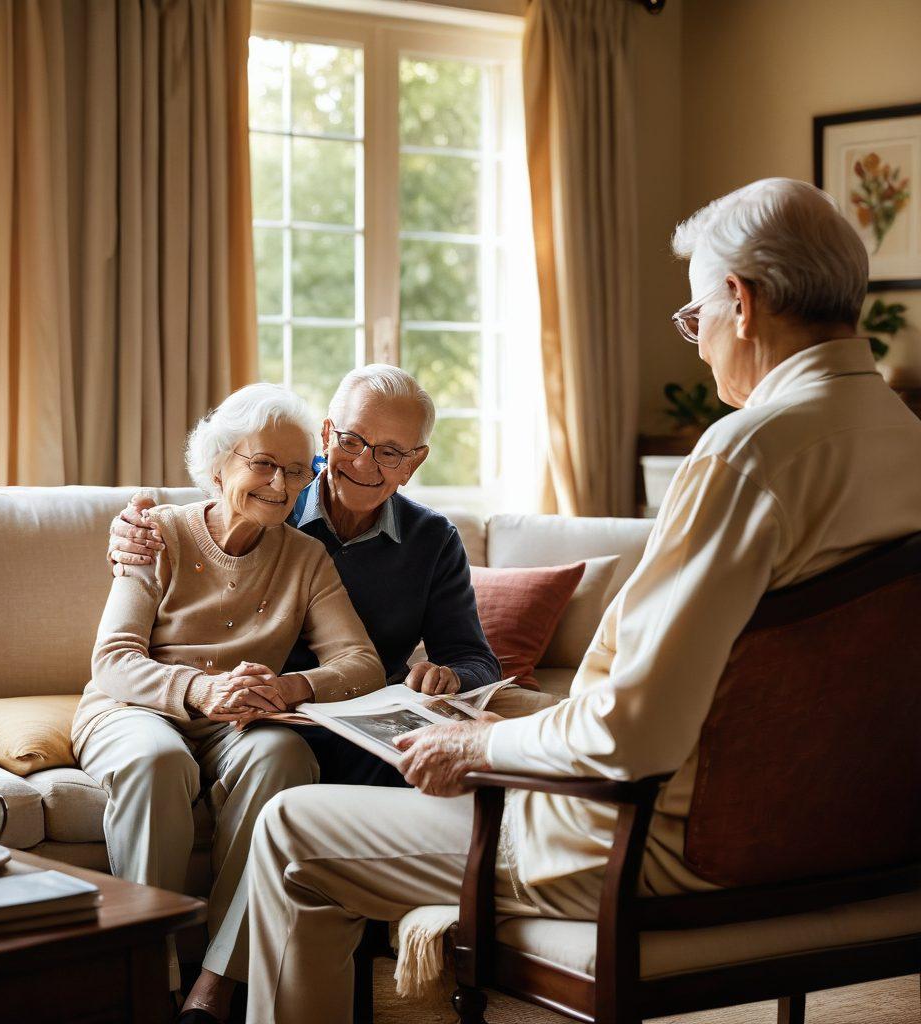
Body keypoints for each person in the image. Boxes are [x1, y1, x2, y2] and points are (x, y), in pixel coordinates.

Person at [238, 177, 921, 1024]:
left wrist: (484, 747)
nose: (699, 345)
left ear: (739, 304)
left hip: (644, 845)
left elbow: (633, 730)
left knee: (292, 829)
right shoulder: (905, 441)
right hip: (841, 842)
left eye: (694, 316)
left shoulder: (748, 455)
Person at [70, 384, 385, 1024]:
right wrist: (201, 689)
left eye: (297, 471)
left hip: (238, 718)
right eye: (263, 463)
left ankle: (214, 987)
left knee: (285, 757)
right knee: (156, 762)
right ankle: (146, 981)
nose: (280, 484)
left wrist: (293, 687)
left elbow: (363, 664)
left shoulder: (306, 556)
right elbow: (114, 659)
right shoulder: (155, 532)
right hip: (134, 707)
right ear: (219, 465)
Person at [108, 365, 513, 784]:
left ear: (414, 462)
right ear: (327, 435)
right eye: (351, 439)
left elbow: (476, 660)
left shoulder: (432, 540)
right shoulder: (270, 499)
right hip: (257, 721)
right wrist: (130, 535)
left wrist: (450, 675)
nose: (363, 462)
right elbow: (204, 521)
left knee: (438, 770)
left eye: (389, 452)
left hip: (352, 719)